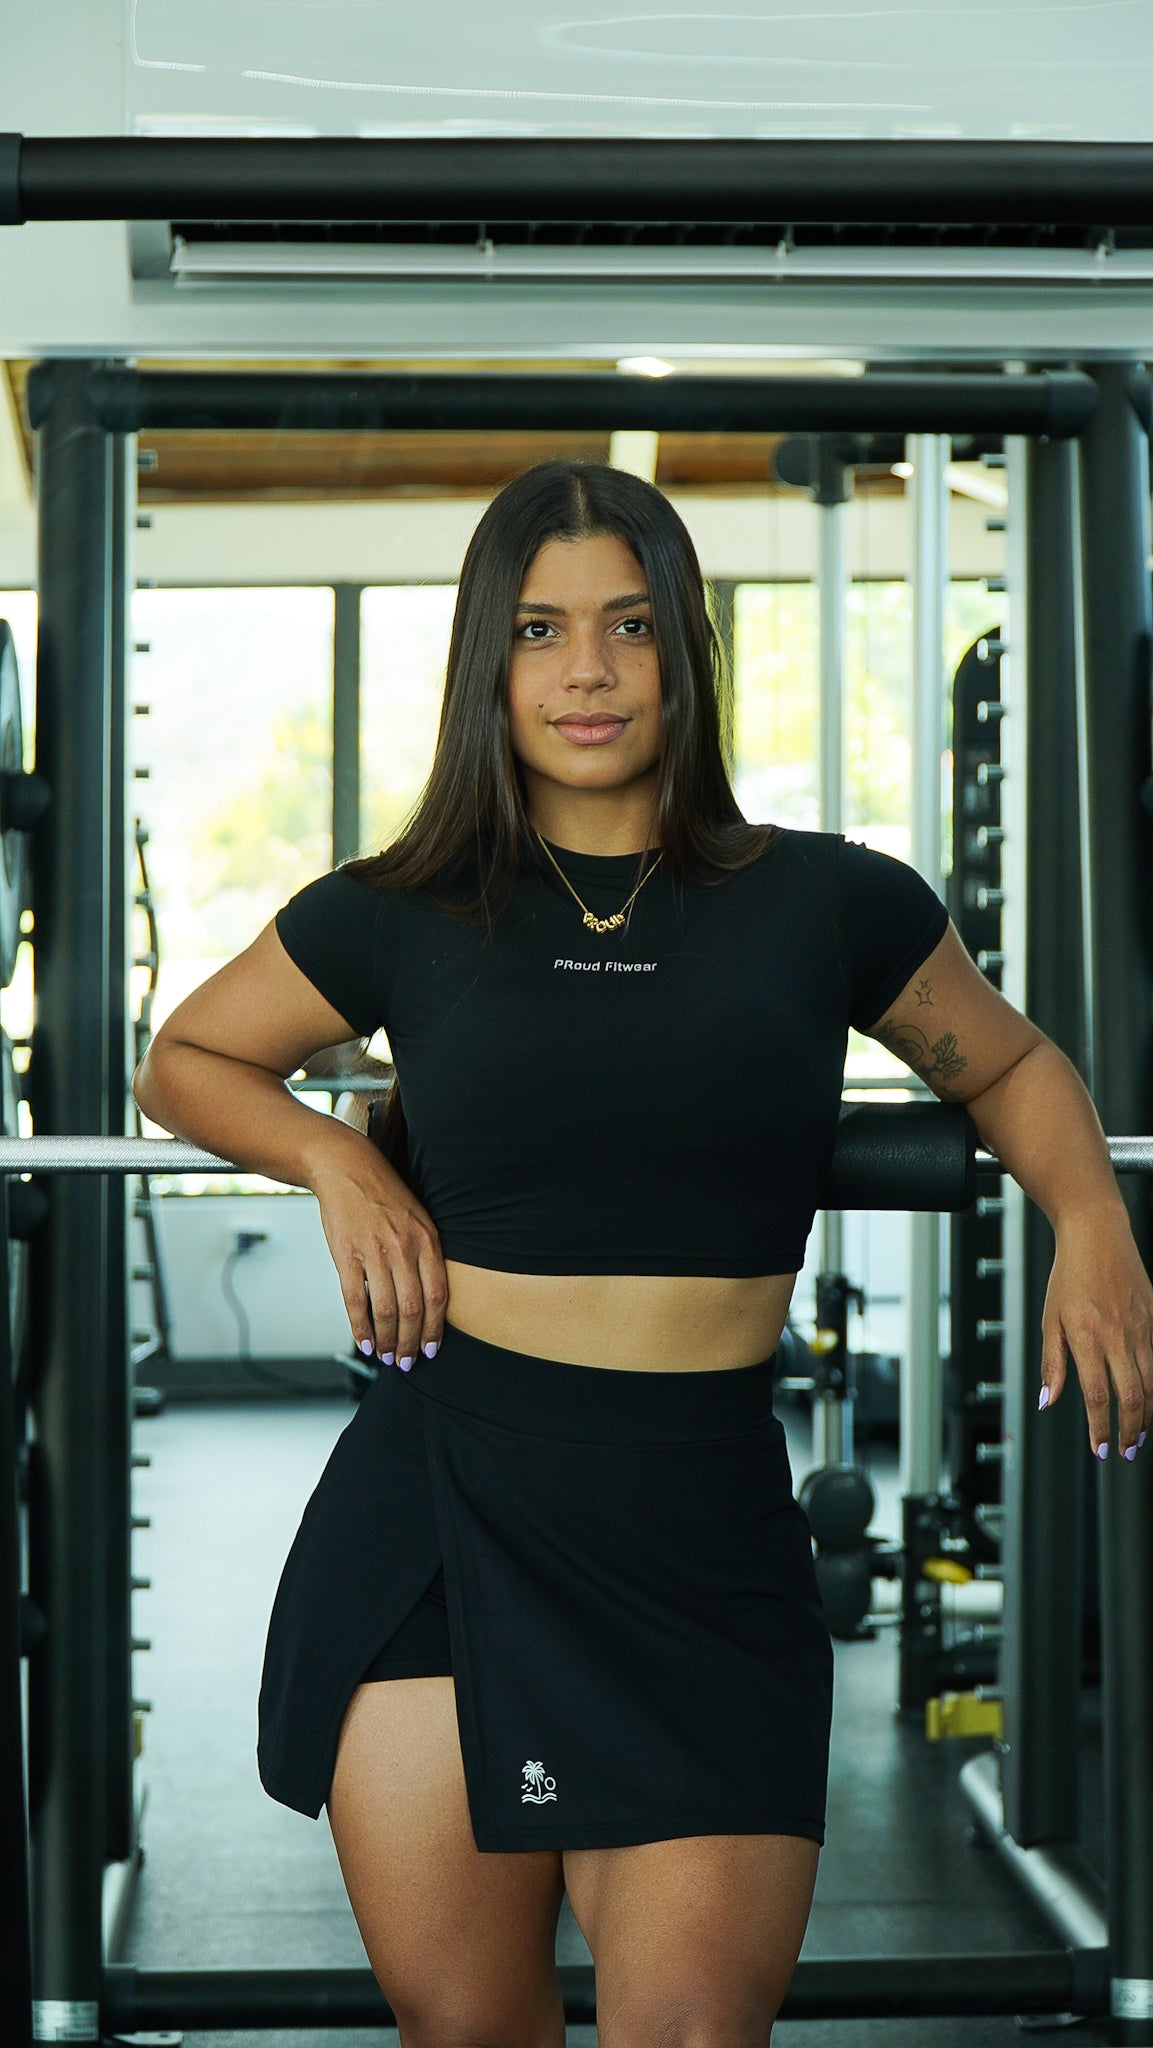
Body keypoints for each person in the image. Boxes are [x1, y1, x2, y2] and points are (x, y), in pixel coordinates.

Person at [133, 459, 1153, 2048]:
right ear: (490, 662)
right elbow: (183, 1056)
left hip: (697, 1523)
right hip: (444, 1505)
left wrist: (1089, 1223)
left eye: (627, 626)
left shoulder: (828, 901)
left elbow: (1013, 1067)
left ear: (684, 650)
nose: (588, 670)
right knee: (469, 2031)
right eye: (539, 631)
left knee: (690, 2029)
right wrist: (337, 1158)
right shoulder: (406, 907)